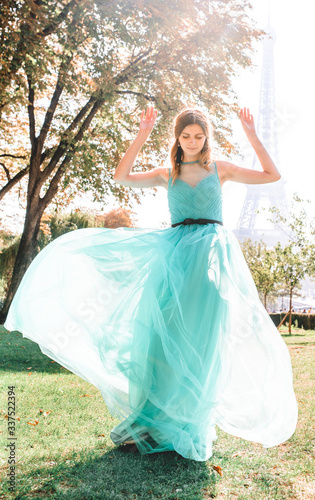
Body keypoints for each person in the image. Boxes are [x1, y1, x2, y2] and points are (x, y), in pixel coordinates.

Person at [4, 106, 298, 462]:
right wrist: (143, 131)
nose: (192, 142)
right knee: (162, 342)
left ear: (207, 138)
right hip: (172, 262)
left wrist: (251, 134)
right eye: (185, 136)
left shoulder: (222, 169)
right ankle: (153, 423)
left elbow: (271, 174)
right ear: (177, 138)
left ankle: (191, 424)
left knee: (201, 344)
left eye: (199, 136)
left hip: (209, 264)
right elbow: (121, 176)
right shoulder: (167, 173)